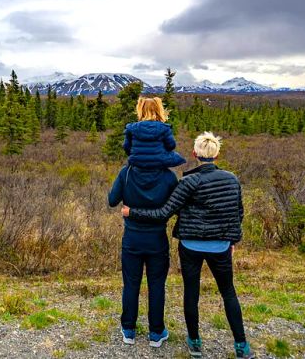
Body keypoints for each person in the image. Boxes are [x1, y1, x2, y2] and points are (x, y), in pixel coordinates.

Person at [122, 132, 255, 359]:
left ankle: (195, 342)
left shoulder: (188, 182)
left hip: (191, 246)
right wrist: (232, 240)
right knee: (228, 293)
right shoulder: (231, 179)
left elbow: (164, 213)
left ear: (194, 154)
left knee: (191, 293)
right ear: (216, 154)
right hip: (220, 246)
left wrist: (132, 212)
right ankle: (241, 345)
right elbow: (238, 213)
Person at [108, 97, 183, 347]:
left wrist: (130, 208)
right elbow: (175, 207)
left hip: (132, 238)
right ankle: (156, 333)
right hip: (157, 239)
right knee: (156, 285)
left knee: (130, 284)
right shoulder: (169, 176)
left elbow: (111, 200)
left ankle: (128, 331)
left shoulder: (126, 172)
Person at [123, 97, 186, 170]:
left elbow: (126, 147)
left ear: (140, 110)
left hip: (137, 163)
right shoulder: (164, 128)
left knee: (122, 176)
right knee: (179, 160)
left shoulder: (131, 128)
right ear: (158, 110)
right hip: (160, 163)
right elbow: (171, 146)